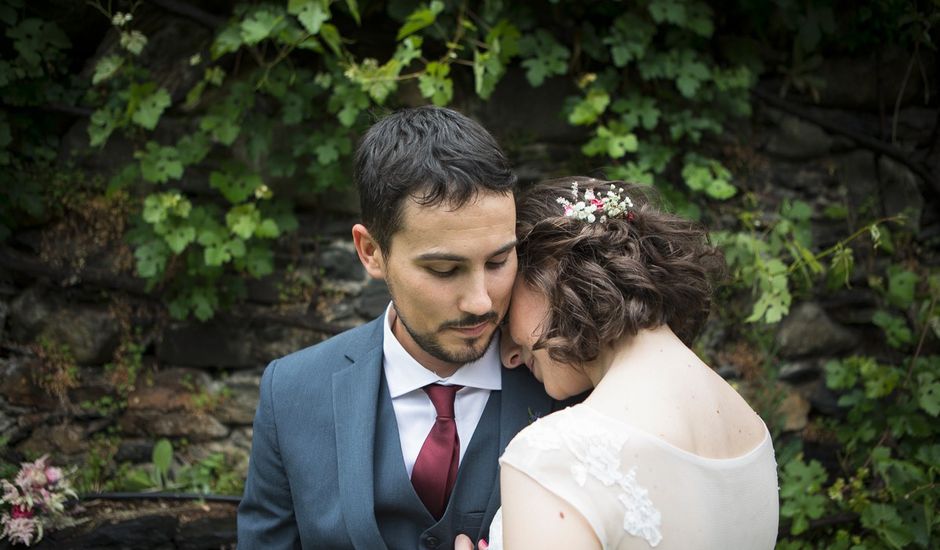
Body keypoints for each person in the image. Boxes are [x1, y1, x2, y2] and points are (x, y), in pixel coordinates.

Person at [237, 106, 562, 549]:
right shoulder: (291, 391)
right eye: (445, 269)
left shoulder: (568, 378)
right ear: (371, 251)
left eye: (499, 261)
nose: (481, 301)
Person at [457, 177, 779, 550]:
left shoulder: (558, 455)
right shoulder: (751, 429)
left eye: (509, 305)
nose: (508, 353)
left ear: (553, 272)